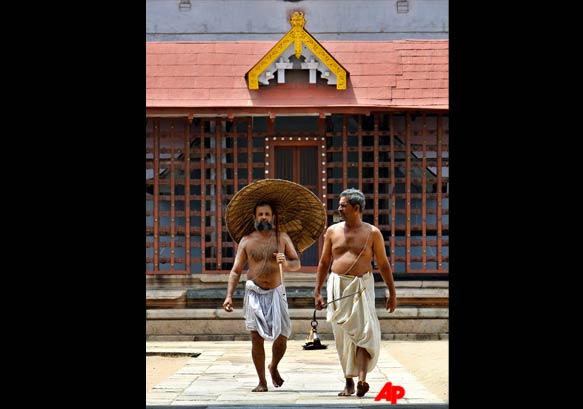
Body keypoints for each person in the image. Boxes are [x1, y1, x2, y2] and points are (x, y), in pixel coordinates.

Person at [314, 188, 397, 397]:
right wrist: (317, 291)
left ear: (356, 208)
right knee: (342, 336)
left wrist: (392, 292)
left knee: (364, 333)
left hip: (361, 287)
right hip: (337, 286)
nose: (339, 208)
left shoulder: (372, 233)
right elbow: (324, 262)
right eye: (340, 205)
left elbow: (383, 264)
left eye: (343, 205)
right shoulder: (332, 231)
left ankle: (362, 380)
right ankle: (348, 381)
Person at [223, 201, 301, 392]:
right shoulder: (246, 240)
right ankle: (262, 381)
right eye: (260, 214)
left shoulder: (282, 237)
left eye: (267, 214)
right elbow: (235, 271)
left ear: (272, 217)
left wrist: (287, 263)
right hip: (254, 293)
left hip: (276, 292)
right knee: (256, 337)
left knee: (282, 335)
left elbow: (296, 262)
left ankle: (273, 365)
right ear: (254, 217)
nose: (264, 217)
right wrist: (229, 296)